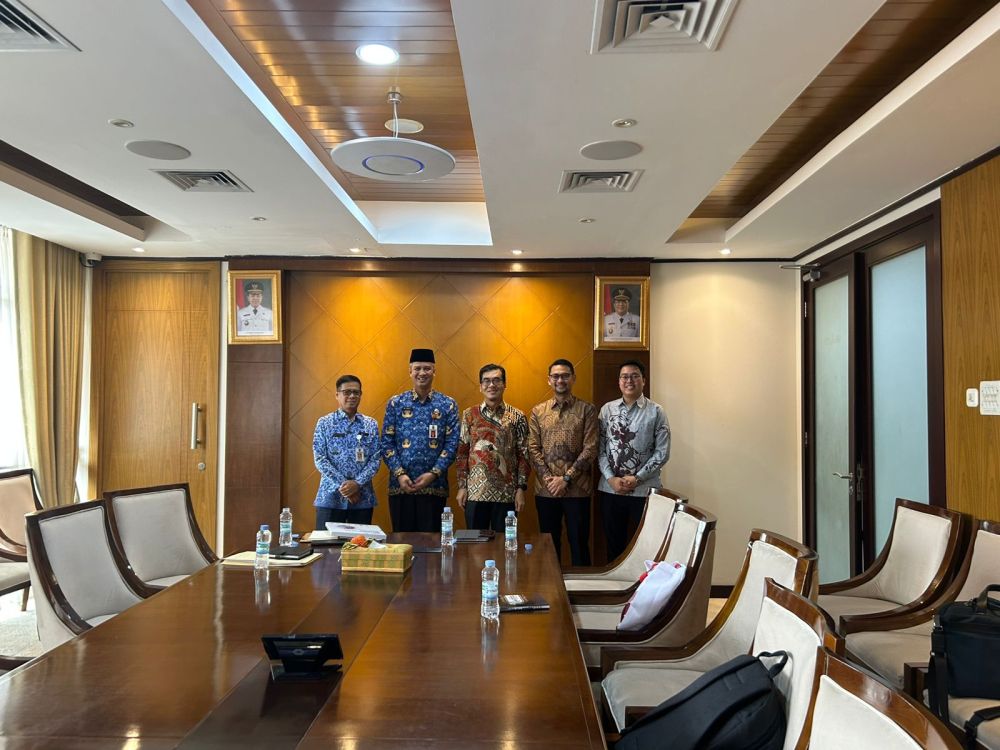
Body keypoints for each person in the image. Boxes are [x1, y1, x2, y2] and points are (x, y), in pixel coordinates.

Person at [597, 359, 670, 561]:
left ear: (643, 380)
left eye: (635, 376)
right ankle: (615, 581)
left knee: (647, 547)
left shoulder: (656, 411)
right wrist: (611, 478)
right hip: (611, 489)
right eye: (624, 376)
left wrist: (637, 478)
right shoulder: (607, 410)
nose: (629, 380)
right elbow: (600, 449)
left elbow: (662, 452)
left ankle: (642, 582)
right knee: (614, 546)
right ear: (619, 381)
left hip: (644, 490)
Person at [528, 358, 598, 566]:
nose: (560, 380)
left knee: (579, 544)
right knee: (548, 545)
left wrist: (566, 479)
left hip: (578, 489)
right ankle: (551, 585)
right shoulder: (538, 411)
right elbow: (532, 448)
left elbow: (591, 448)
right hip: (546, 489)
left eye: (565, 376)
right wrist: (550, 480)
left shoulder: (587, 410)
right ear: (549, 380)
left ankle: (582, 585)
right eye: (556, 376)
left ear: (573, 378)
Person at [381, 348, 459, 532]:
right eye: (417, 368)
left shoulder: (447, 404)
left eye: (427, 368)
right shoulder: (396, 403)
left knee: (431, 543)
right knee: (402, 541)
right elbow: (386, 442)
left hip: (434, 486)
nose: (422, 373)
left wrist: (433, 473)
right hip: (401, 486)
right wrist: (400, 474)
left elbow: (452, 443)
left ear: (434, 371)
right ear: (410, 371)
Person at [456, 363, 530, 533]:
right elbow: (462, 453)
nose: (491, 385)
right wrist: (462, 486)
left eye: (496, 380)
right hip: (474, 493)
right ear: (480, 386)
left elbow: (524, 455)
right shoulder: (469, 414)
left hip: (507, 494)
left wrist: (521, 488)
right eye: (486, 381)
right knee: (475, 545)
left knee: (504, 543)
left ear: (504, 384)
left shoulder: (517, 416)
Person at [312, 375, 381, 527]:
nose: (352, 396)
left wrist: (357, 484)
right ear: (337, 395)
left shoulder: (370, 424)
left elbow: (375, 459)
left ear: (360, 395)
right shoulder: (324, 423)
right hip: (330, 497)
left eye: (356, 392)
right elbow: (320, 458)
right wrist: (345, 486)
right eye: (347, 392)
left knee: (360, 542)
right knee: (326, 542)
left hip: (362, 497)